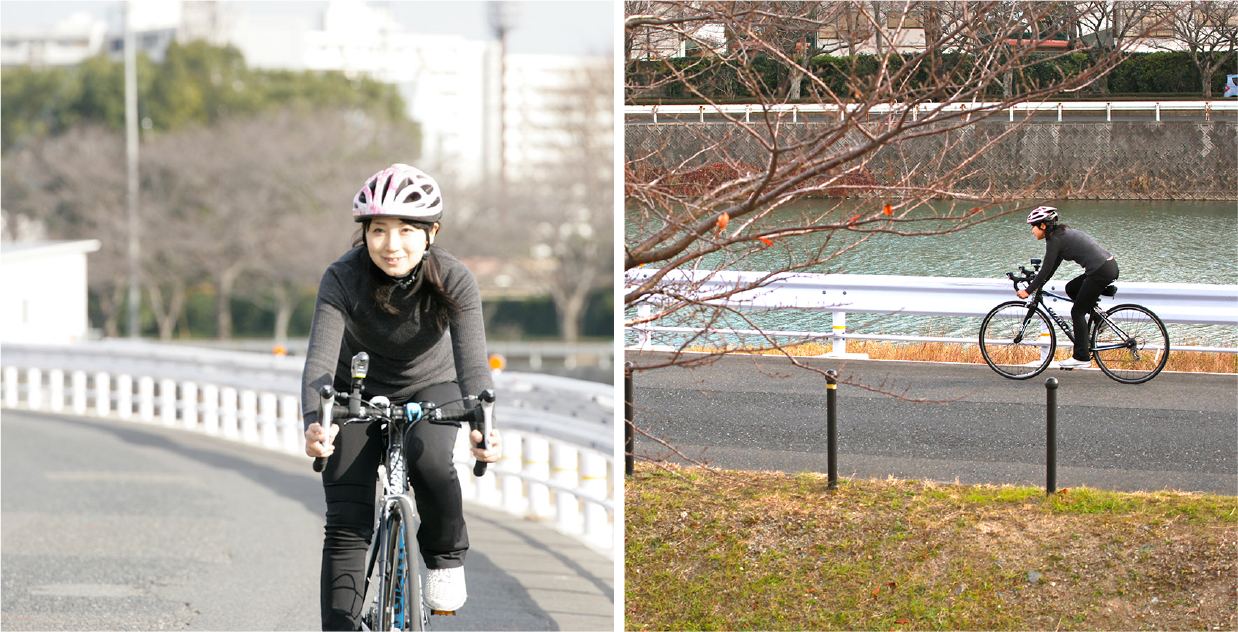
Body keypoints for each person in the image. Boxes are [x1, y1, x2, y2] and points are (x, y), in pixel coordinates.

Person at [301, 163, 501, 630]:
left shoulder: (454, 277)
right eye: (379, 230)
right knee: (347, 521)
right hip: (356, 391)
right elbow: (318, 364)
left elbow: (474, 367)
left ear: (432, 232)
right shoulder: (342, 278)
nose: (392, 245)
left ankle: (446, 557)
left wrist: (482, 429)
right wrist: (317, 422)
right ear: (365, 233)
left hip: (433, 389)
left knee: (429, 460)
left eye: (407, 230)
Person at [1016, 205, 1119, 369]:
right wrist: (1037, 284)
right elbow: (1049, 269)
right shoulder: (1060, 236)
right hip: (1105, 267)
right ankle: (1100, 319)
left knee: (1077, 312)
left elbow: (1046, 269)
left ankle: (1081, 357)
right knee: (1071, 288)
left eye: (1033, 227)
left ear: (1043, 225)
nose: (1032, 231)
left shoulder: (1055, 240)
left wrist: (1028, 290)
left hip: (1101, 271)